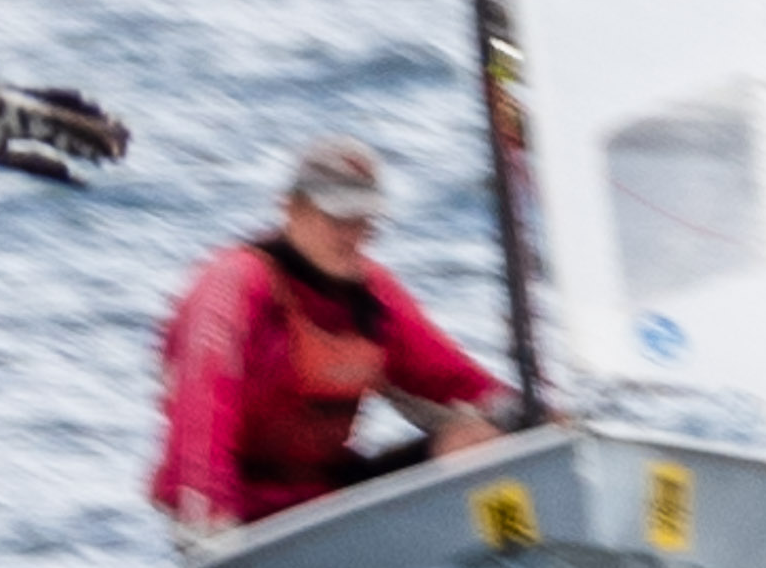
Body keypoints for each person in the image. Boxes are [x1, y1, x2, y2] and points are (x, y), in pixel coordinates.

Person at [152, 136, 522, 541]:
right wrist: (207, 521)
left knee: (481, 443)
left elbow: (453, 380)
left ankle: (512, 545)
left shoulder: (375, 294)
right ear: (291, 209)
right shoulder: (234, 285)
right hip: (241, 516)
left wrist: (531, 418)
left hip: (329, 501)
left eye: (364, 220)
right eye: (337, 219)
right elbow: (200, 409)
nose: (352, 235)